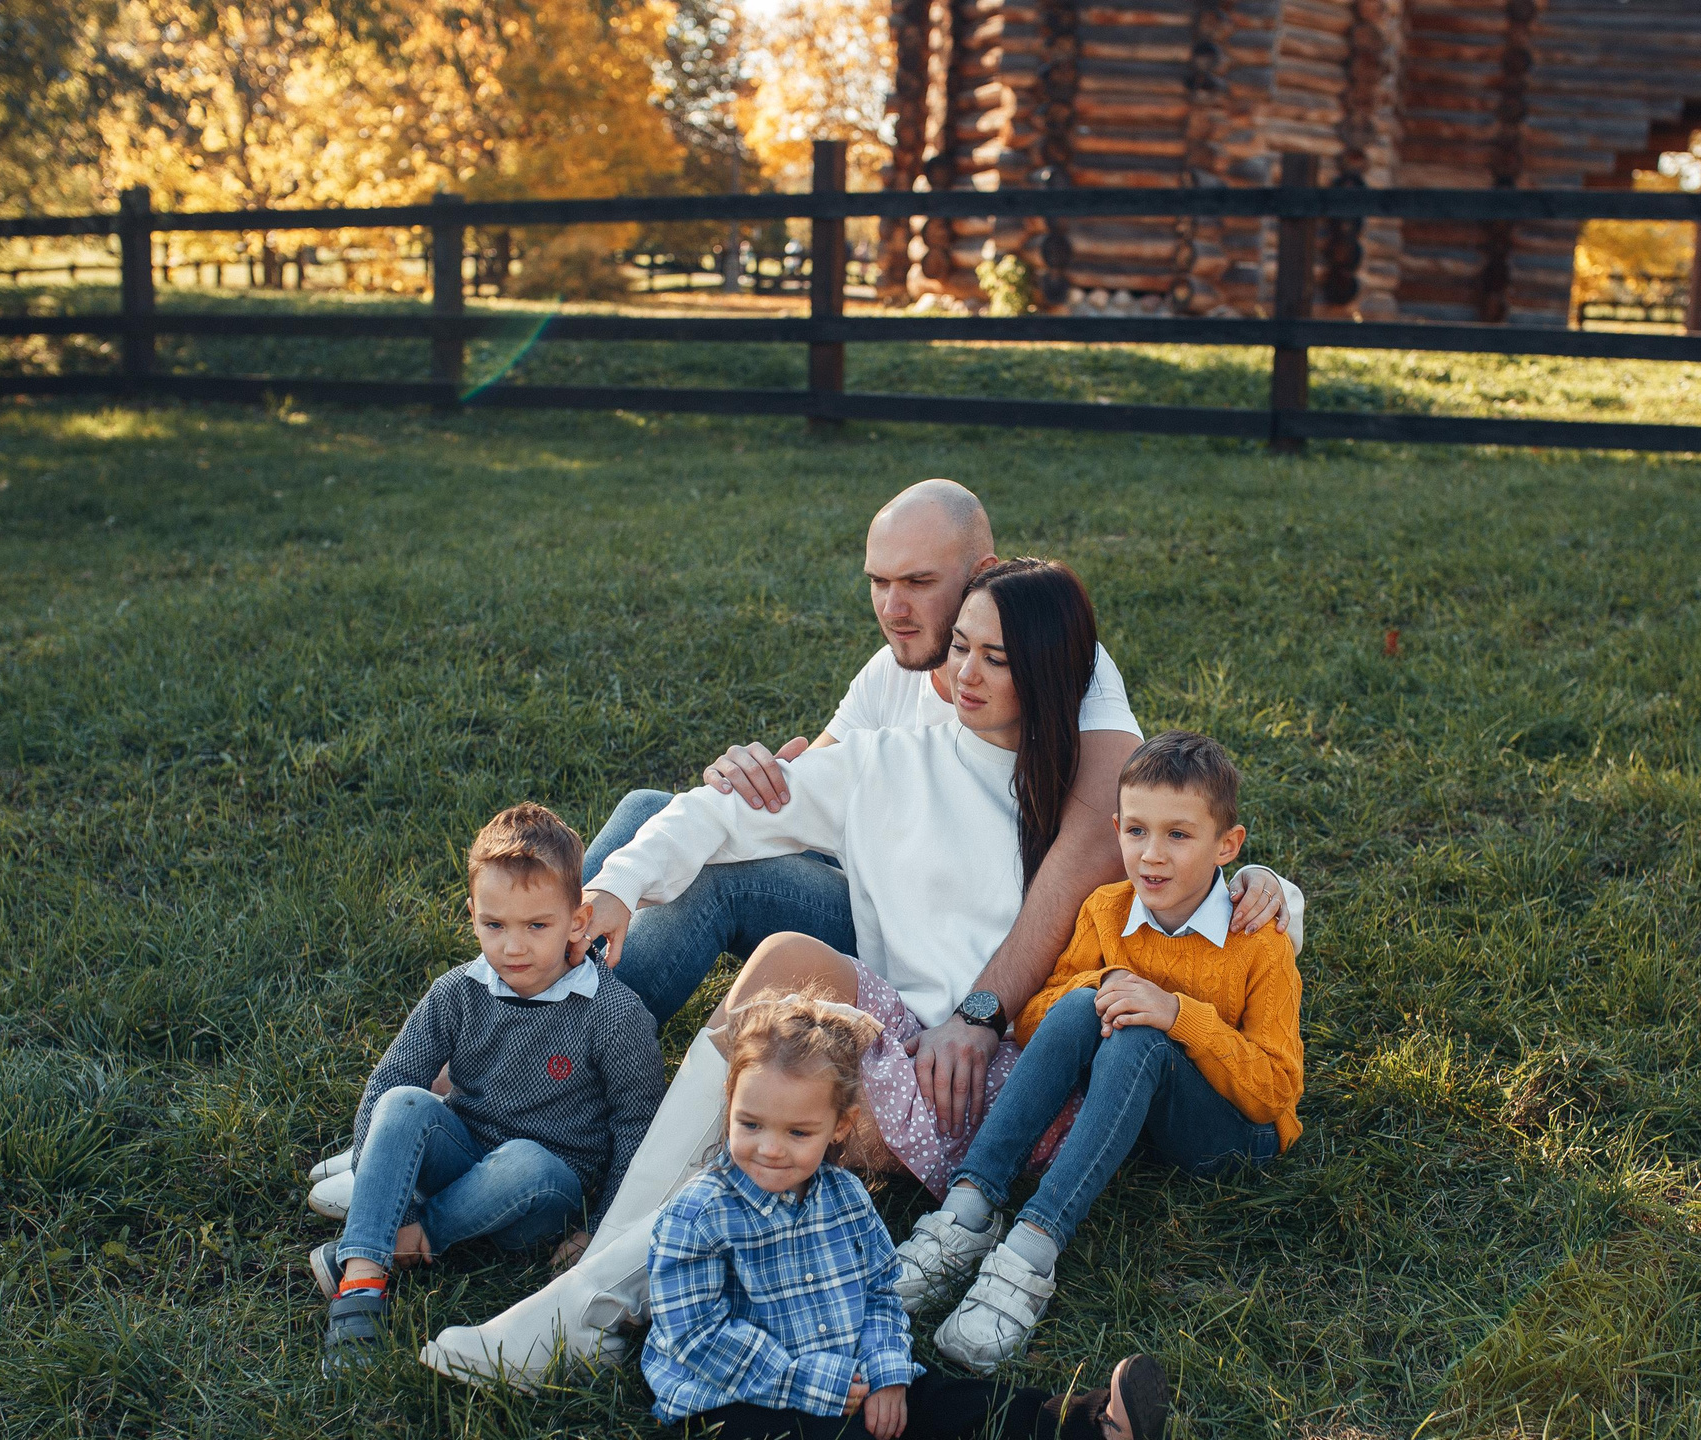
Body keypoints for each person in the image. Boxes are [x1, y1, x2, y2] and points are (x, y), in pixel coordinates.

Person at [298, 479, 1304, 1223]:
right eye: (879, 583)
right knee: (662, 809)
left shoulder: (1053, 660)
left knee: (721, 880)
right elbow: (820, 774)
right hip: (895, 894)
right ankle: (514, 1058)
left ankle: (541, 1079)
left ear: (983, 573)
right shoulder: (901, 669)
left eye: (922, 584)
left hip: (994, 950)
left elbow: (1101, 834)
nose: (898, 610)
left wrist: (983, 1009)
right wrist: (741, 774)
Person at [418, 559, 1111, 1387]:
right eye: (959, 646)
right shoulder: (888, 761)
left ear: (1045, 666)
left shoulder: (1085, 795)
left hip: (995, 1075)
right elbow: (721, 813)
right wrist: (615, 884)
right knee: (788, 957)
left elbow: (1190, 862)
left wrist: (1264, 892)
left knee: (780, 1105)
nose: (964, 672)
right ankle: (601, 1269)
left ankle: (588, 1307)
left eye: (995, 658)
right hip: (902, 1032)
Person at [643, 994, 1169, 1440]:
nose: (769, 1149)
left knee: (945, 1397)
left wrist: (889, 1375)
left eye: (798, 1133)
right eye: (750, 1124)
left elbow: (878, 1293)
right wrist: (810, 1384)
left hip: (846, 1367)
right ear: (730, 1103)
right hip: (731, 1394)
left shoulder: (845, 1200)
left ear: (838, 1127)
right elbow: (699, 1338)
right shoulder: (697, 1216)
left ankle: (1090, 1426)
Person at [901, 732, 1303, 1371]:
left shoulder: (1259, 941)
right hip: (1134, 1100)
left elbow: (1277, 1092)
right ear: (1116, 829)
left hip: (1230, 1134)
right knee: (1082, 1001)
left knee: (1143, 1035)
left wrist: (1179, 1016)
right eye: (1137, 831)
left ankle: (1030, 1251)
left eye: (1179, 835)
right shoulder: (1106, 909)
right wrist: (1103, 984)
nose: (1152, 855)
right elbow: (1035, 1022)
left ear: (1227, 845)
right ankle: (968, 1208)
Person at [314, 804, 664, 1373]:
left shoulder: (612, 1013)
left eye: (537, 926)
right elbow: (390, 1081)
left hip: (547, 1190)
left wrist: (599, 1235)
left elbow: (636, 1129)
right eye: (494, 925)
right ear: (472, 914)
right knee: (403, 1102)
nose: (513, 948)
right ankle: (359, 1284)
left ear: (578, 921)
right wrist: (379, 1176)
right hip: (465, 1150)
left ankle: (411, 1238)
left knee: (524, 1161)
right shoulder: (457, 991)